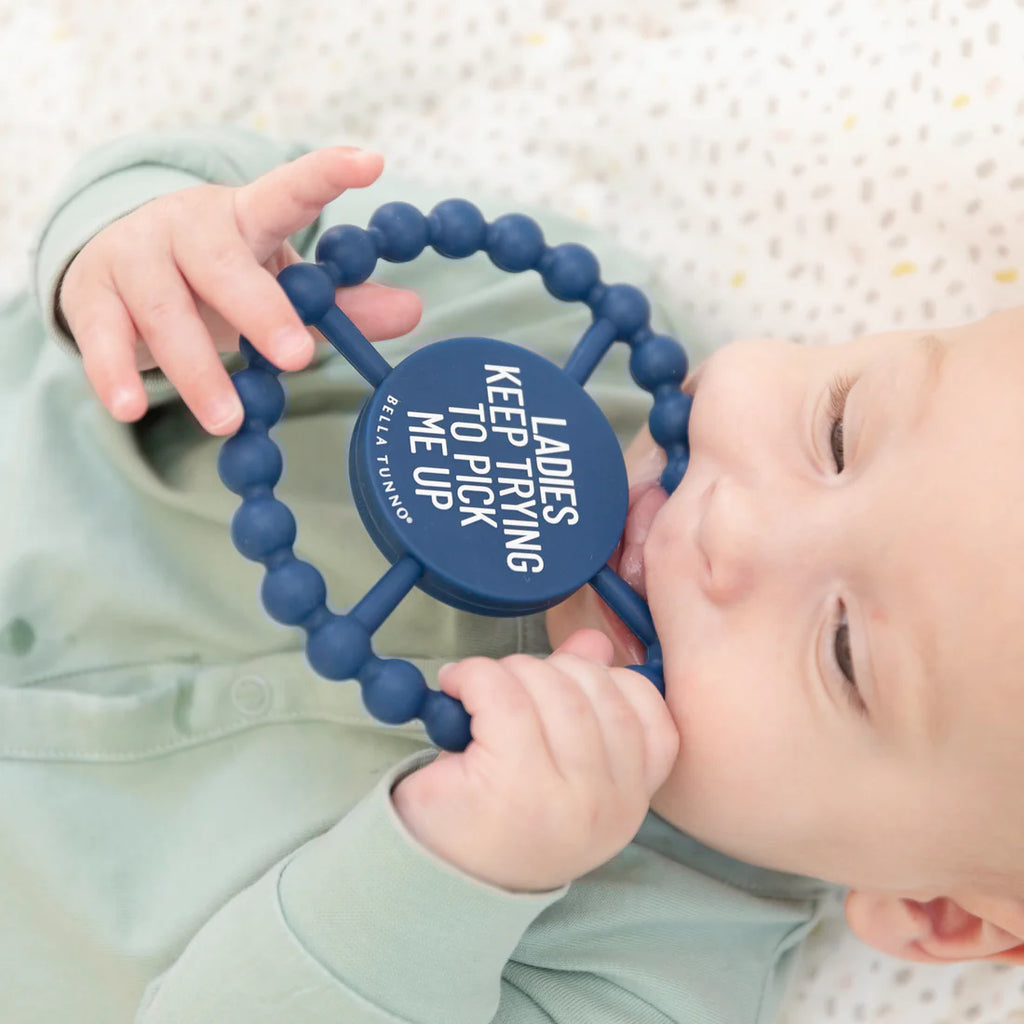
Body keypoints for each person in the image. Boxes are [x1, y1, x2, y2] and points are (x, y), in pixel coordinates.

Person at [2, 125, 1021, 1024]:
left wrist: (450, 871)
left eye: (844, 650)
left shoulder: (655, 980)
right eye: (838, 429)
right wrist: (149, 250)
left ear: (937, 910)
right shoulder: (538, 329)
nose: (735, 529)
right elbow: (208, 192)